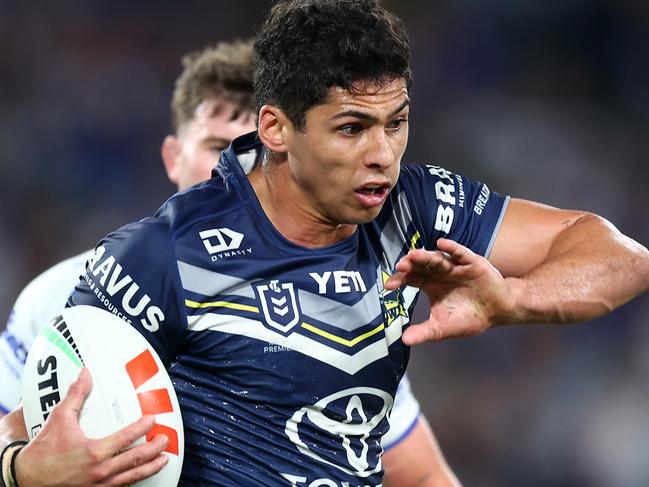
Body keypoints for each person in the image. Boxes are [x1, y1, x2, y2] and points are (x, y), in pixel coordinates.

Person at [2, 0, 649, 484]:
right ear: (276, 129)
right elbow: (23, 426)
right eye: (350, 128)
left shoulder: (416, 205)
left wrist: (514, 298)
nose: (382, 156)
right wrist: (24, 472)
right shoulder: (163, 256)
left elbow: (620, 257)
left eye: (395, 123)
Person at [0, 38, 459, 486]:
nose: (241, 170)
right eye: (218, 146)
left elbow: (418, 473)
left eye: (260, 157)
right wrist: (20, 472)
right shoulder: (71, 297)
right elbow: (13, 433)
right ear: (172, 157)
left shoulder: (348, 315)